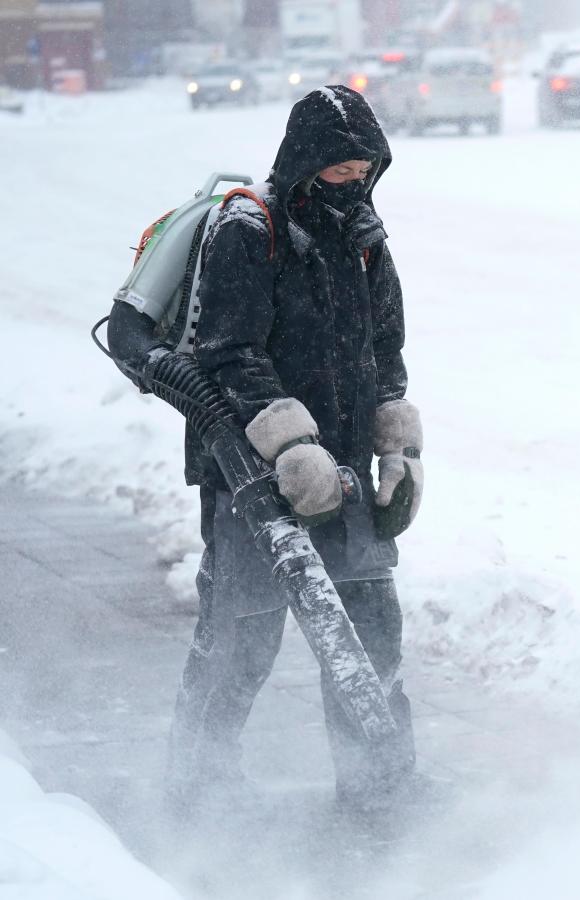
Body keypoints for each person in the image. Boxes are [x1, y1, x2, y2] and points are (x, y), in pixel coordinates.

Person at [165, 85, 424, 813]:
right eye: (339, 166)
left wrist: (396, 445)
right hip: (251, 475)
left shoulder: (366, 237)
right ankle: (196, 790)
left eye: (364, 167)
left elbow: (385, 347)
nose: (352, 178)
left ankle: (381, 789)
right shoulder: (250, 231)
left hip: (345, 471)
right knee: (241, 642)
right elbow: (229, 352)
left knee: (372, 632)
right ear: (307, 160)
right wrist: (291, 443)